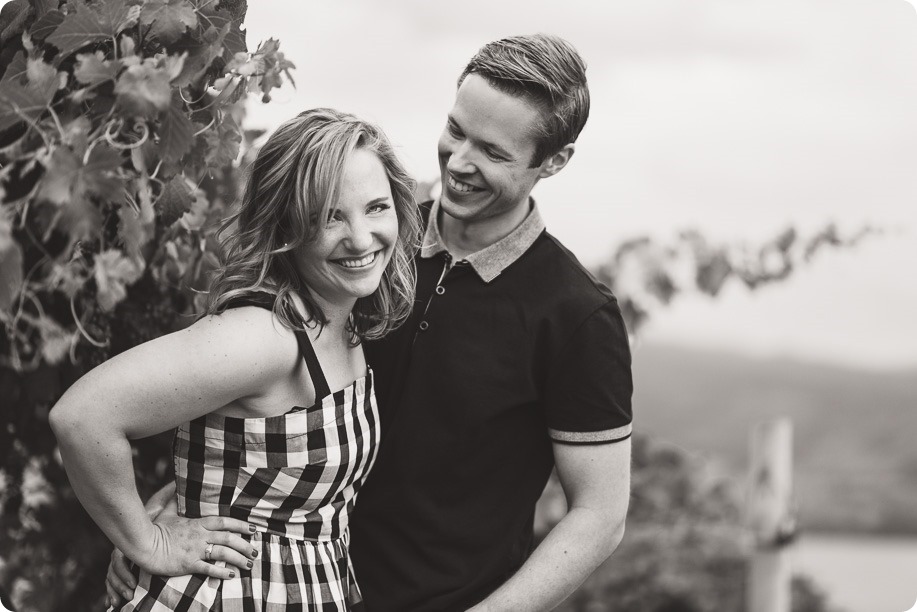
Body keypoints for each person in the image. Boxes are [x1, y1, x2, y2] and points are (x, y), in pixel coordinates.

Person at [108, 34, 632, 611]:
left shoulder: (576, 315)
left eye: (494, 152)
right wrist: (164, 517)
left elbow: (599, 517)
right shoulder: (367, 250)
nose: (459, 162)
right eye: (456, 130)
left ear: (553, 162)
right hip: (292, 590)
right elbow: (252, 404)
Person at [50, 107, 421, 611]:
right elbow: (83, 416)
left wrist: (182, 492)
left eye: (376, 207)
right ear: (285, 223)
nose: (360, 238)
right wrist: (146, 541)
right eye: (329, 215)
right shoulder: (265, 336)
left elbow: (251, 457)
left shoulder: (341, 313)